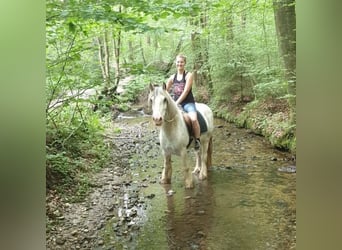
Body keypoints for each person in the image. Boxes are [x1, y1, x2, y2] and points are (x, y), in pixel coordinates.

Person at [166, 54, 201, 150]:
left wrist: (176, 103)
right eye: (178, 62)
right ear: (175, 63)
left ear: (184, 63)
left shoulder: (188, 75)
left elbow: (186, 92)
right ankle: (166, 139)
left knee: (193, 119)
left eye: (181, 62)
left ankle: (197, 139)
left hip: (188, 103)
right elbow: (165, 91)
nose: (179, 64)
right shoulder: (172, 77)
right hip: (176, 103)